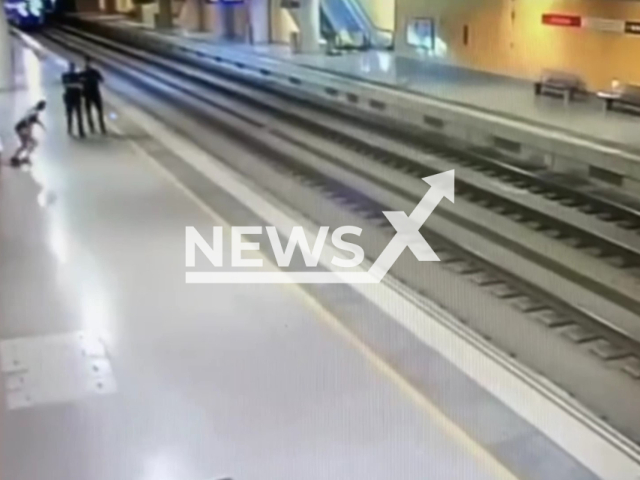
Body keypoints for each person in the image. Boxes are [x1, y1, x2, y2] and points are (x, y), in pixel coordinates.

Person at [9, 100, 46, 167]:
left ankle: (19, 157)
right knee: (28, 144)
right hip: (22, 129)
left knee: (31, 144)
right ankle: (20, 158)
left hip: (20, 127)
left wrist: (42, 125)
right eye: (44, 106)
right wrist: (28, 133)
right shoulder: (34, 113)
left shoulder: (33, 110)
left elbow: (35, 120)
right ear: (41, 106)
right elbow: (29, 122)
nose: (44, 108)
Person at [82, 56, 106, 135]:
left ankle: (92, 127)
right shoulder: (95, 72)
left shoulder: (83, 74)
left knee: (90, 112)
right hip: (94, 94)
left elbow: (102, 79)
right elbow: (102, 80)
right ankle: (101, 127)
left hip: (89, 94)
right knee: (98, 111)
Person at [62, 62, 85, 138]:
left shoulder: (76, 76)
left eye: (72, 67)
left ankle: (80, 131)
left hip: (74, 97)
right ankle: (70, 129)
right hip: (71, 97)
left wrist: (72, 85)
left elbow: (80, 86)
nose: (72, 68)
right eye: (71, 67)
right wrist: (76, 85)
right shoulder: (66, 75)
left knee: (78, 115)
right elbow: (65, 85)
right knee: (70, 115)